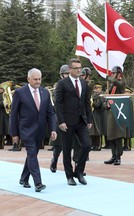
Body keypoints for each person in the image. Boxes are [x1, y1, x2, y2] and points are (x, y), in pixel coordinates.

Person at [9, 68, 57, 192]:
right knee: (32, 154)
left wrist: (53, 129)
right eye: (35, 79)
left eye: (39, 79)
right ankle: (38, 183)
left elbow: (50, 113)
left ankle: (24, 178)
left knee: (32, 155)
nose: (38, 81)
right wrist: (14, 133)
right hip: (26, 130)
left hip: (40, 130)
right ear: (28, 79)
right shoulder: (20, 93)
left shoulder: (45, 92)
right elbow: (13, 114)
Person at [55, 58, 92, 186]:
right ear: (70, 69)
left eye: (80, 68)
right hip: (67, 122)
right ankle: (69, 176)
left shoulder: (83, 83)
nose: (79, 70)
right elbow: (58, 104)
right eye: (76, 68)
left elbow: (87, 102)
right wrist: (61, 121)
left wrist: (89, 119)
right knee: (67, 150)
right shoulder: (62, 83)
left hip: (81, 121)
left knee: (87, 145)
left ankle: (79, 172)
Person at [104, 66, 126, 165]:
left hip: (117, 112)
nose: (112, 75)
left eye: (113, 73)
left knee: (117, 136)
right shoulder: (111, 85)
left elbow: (117, 83)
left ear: (118, 74)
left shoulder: (121, 83)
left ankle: (118, 156)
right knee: (111, 135)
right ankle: (113, 155)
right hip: (110, 112)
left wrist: (109, 78)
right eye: (111, 73)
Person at [91, 84, 106, 151]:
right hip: (94, 114)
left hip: (99, 115)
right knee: (93, 131)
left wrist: (92, 103)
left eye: (98, 88)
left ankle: (98, 145)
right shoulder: (94, 95)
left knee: (98, 131)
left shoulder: (101, 96)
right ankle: (93, 145)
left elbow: (98, 105)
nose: (96, 89)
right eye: (96, 88)